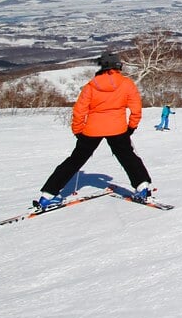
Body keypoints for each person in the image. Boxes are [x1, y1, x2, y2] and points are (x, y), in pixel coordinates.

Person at [36, 52, 154, 208]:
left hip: (91, 130)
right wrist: (131, 127)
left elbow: (79, 110)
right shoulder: (127, 84)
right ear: (118, 66)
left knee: (74, 161)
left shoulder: (91, 86)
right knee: (128, 158)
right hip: (118, 128)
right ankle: (142, 188)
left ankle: (47, 195)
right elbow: (136, 109)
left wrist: (78, 130)